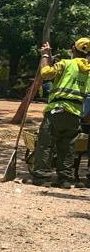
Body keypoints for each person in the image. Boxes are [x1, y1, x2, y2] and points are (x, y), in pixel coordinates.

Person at [29, 38, 90, 187]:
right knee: (68, 146)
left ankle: (42, 177)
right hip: (75, 113)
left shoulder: (65, 64)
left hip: (58, 110)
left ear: (72, 49)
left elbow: (46, 73)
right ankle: (66, 179)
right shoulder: (88, 71)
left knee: (46, 143)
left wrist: (44, 56)